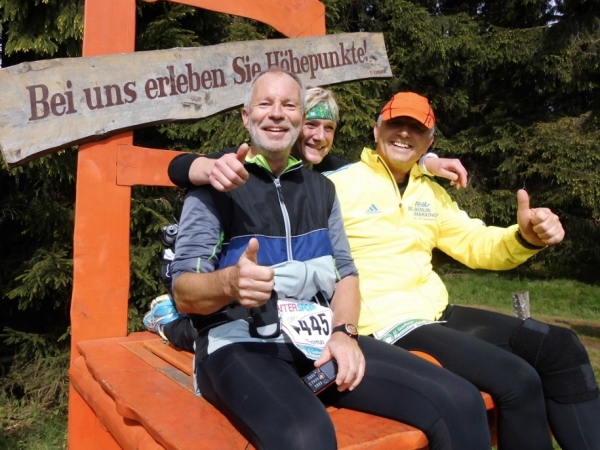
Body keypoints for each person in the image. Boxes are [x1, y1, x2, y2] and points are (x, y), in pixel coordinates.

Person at [169, 67, 492, 450]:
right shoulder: (216, 185)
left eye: (289, 105)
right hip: (240, 342)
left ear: (300, 118)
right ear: (246, 116)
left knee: (460, 401)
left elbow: (346, 276)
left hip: (319, 337)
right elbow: (184, 292)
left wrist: (344, 333)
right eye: (265, 104)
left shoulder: (323, 188)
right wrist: (229, 283)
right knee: (307, 438)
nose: (277, 113)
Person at [325, 91, 600, 450]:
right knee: (518, 380)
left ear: (429, 141)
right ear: (376, 131)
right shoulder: (339, 184)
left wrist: (524, 237)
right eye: (395, 124)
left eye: (415, 128)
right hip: (383, 322)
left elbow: (474, 242)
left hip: (433, 312)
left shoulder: (430, 193)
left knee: (560, 347)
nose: (404, 133)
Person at [145, 86, 468, 351]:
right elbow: (178, 167)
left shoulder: (326, 171)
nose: (319, 136)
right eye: (311, 125)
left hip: (290, 300)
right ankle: (169, 320)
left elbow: (385, 164)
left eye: (329, 128)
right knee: (209, 331)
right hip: (218, 281)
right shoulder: (248, 159)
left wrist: (426, 162)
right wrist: (207, 167)